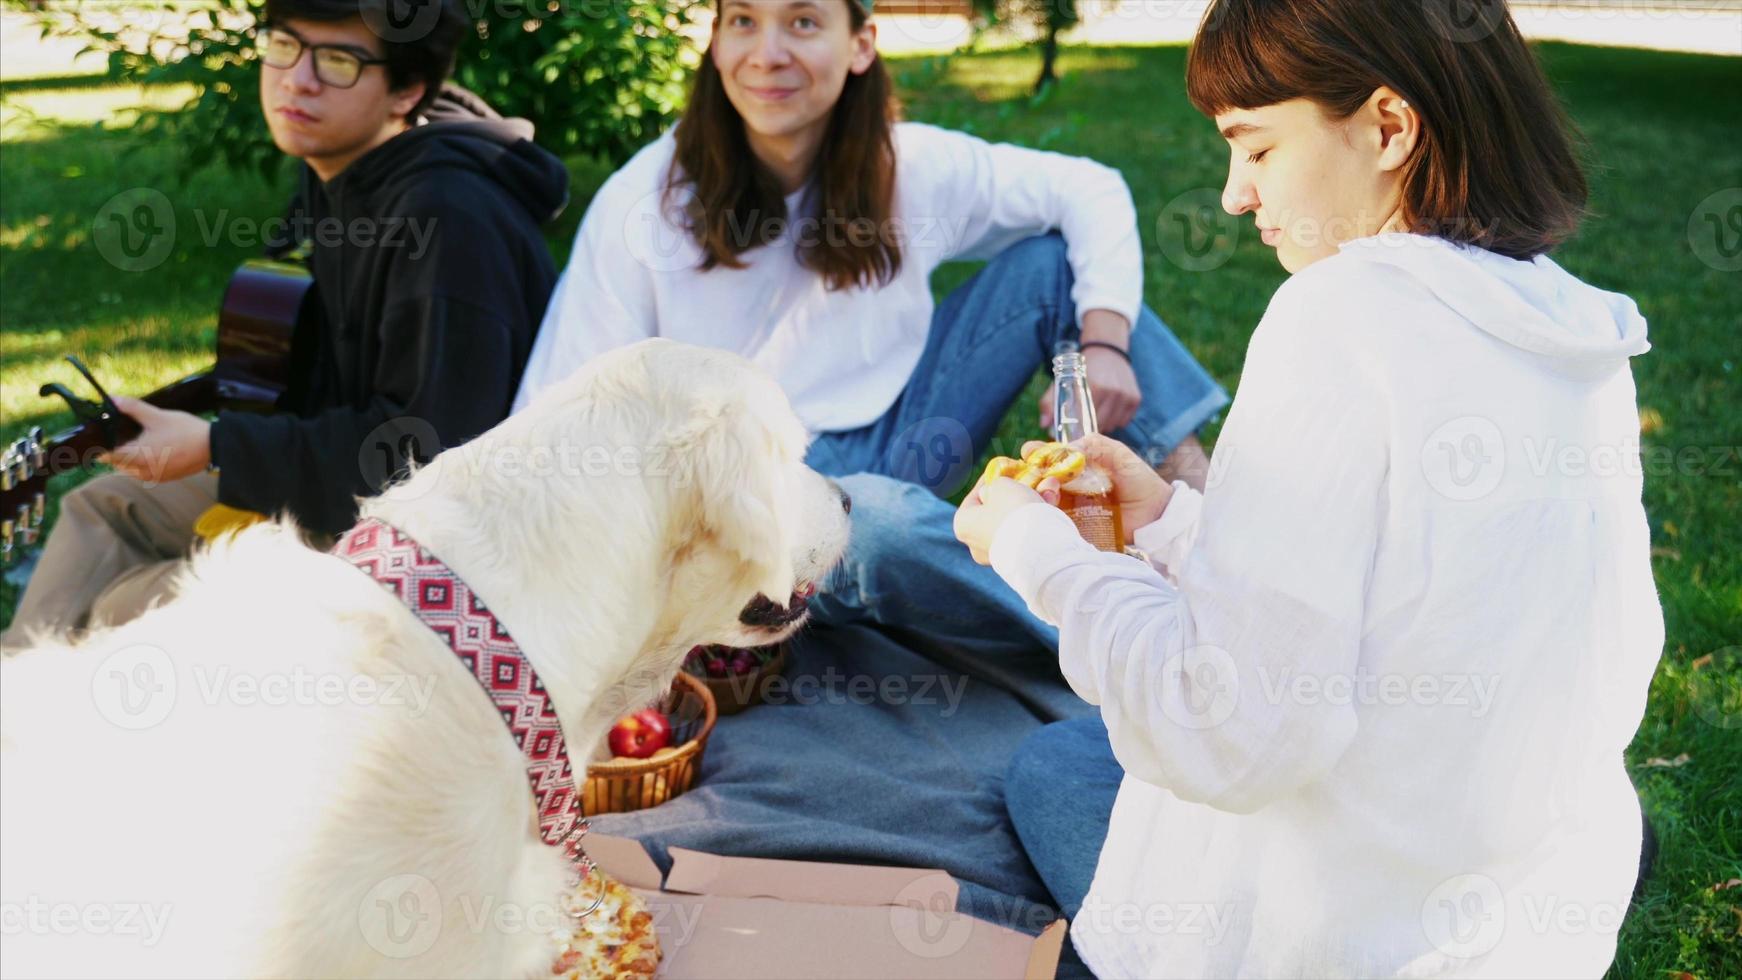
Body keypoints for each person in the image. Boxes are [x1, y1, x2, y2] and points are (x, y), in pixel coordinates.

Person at [957, 0, 1663, 975]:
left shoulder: (1336, 317)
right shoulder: (1568, 331)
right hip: (1516, 905)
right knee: (1068, 763)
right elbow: (1405, 591)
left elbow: (1231, 737)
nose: (1231, 196)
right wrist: (1165, 520)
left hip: (1328, 936)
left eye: (1253, 148)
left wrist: (1038, 554)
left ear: (1387, 126)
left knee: (1052, 769)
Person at [514, 0, 1228, 655]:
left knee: (1049, 269)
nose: (765, 54)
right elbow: (557, 414)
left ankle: (1217, 551)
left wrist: (1103, 345)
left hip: (906, 429)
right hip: (740, 506)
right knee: (880, 525)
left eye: (801, 22)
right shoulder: (646, 203)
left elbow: (1088, 188)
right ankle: (1117, 635)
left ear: (860, 44)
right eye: (741, 22)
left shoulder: (907, 165)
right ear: (716, 42)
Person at [2, 0, 568, 645]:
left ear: (407, 89)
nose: (297, 80)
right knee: (104, 510)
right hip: (339, 486)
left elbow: (430, 460)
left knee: (128, 608)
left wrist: (218, 448)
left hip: (443, 552)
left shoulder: (446, 221)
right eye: (284, 46)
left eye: (338, 62)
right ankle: (16, 706)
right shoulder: (343, 171)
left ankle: (38, 709)